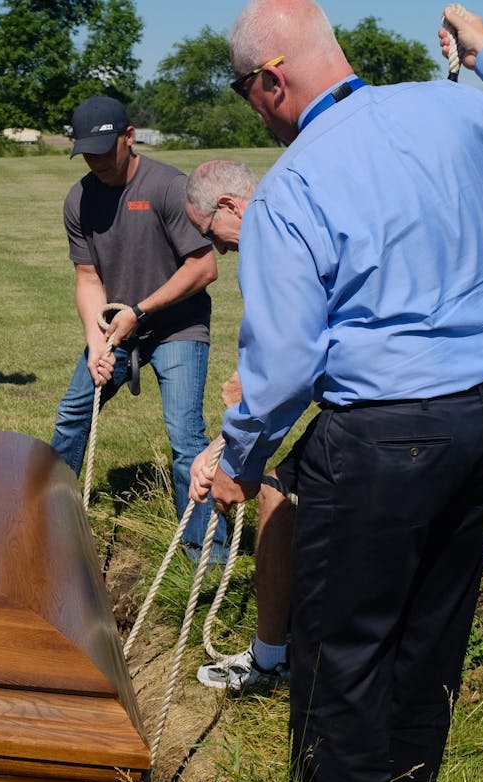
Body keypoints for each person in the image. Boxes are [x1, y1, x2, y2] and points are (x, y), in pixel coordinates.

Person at [189, 1, 483, 782]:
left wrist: (240, 457)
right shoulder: (453, 109)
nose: (253, 108)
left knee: (339, 642)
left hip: (380, 437)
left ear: (273, 79)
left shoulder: (293, 187)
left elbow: (284, 363)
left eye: (249, 91)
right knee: (434, 619)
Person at [50, 95, 222, 564]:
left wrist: (141, 312)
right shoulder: (79, 199)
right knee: (72, 414)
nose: (97, 161)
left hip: (177, 328)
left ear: (130, 136)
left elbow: (203, 267)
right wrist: (94, 341)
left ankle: (207, 554)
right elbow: (87, 278)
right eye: (87, 153)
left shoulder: (168, 186)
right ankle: (50, 521)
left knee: (186, 437)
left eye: (105, 150)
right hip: (114, 330)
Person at [181, 159, 294, 697]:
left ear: (229, 206)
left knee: (275, 490)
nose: (218, 249)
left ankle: (274, 661)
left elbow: (290, 361)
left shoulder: (271, 246)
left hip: (377, 403)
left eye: (211, 234)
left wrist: (235, 457)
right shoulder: (293, 216)